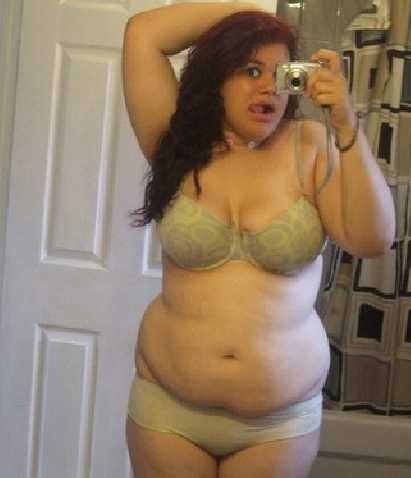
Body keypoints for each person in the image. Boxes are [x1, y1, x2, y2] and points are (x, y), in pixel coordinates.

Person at [121, 2, 395, 477]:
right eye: (250, 70)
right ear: (216, 78)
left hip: (276, 427)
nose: (269, 86)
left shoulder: (310, 146)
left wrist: (346, 126)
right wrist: (254, 16)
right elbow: (142, 32)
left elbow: (372, 239)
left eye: (281, 73)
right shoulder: (178, 145)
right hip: (168, 414)